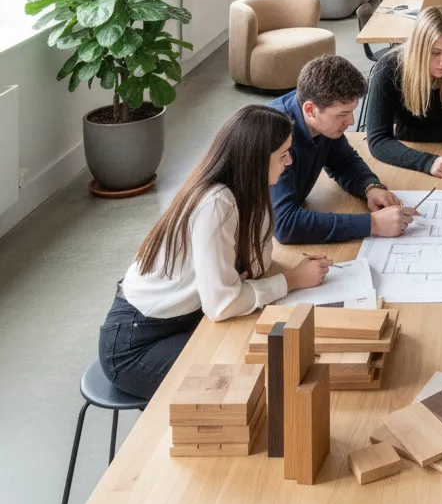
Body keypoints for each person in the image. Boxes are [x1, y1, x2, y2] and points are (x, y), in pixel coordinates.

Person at [97, 106, 331, 400]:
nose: (290, 161)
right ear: (257, 160)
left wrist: (241, 284)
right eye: (283, 154)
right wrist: (292, 280)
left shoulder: (249, 191)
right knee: (249, 381)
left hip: (187, 317)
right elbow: (221, 304)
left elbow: (258, 264)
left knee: (260, 351)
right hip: (137, 343)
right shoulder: (217, 202)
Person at [269, 55, 415, 244]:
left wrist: (370, 187)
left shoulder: (322, 123)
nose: (351, 122)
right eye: (343, 114)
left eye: (352, 111)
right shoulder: (276, 137)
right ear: (310, 109)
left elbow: (344, 162)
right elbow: (285, 224)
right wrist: (373, 223)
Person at [365, 7, 442, 177]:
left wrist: (401, 132)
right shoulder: (388, 69)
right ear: (419, 49)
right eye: (435, 53)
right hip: (409, 158)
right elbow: (378, 141)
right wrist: (427, 162)